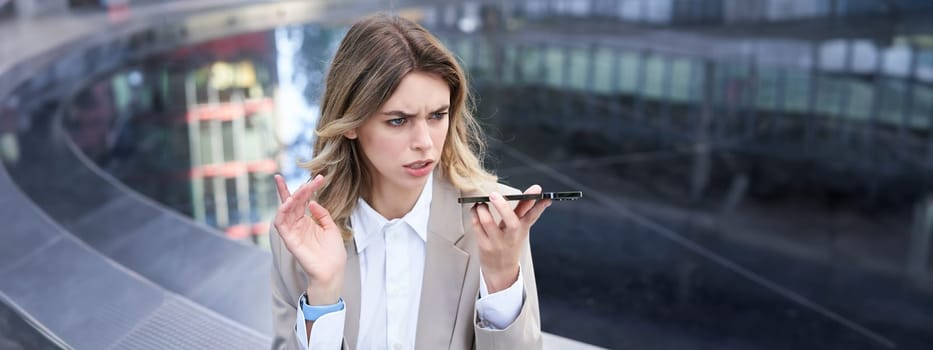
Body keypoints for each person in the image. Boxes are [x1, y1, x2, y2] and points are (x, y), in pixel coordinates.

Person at [269, 13, 552, 350]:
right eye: (398, 120)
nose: (425, 142)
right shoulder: (302, 234)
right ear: (351, 123)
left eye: (437, 116)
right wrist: (324, 294)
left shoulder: (496, 220)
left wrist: (502, 279)